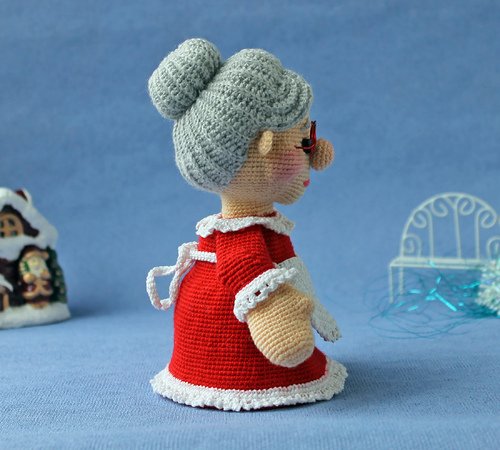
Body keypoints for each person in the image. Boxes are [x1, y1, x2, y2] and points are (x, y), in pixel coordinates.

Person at [146, 38, 347, 411]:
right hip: (245, 368)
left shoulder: (261, 223)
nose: (318, 155)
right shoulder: (239, 238)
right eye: (304, 141)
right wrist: (278, 322)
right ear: (265, 148)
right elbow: (248, 271)